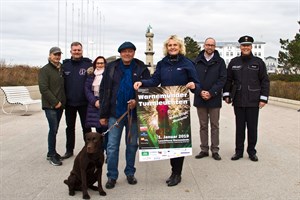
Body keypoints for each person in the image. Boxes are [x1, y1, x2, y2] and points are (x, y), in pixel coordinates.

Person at [134, 35, 201, 187]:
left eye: (175, 45)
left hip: (179, 107)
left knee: (178, 138)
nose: (172, 47)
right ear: (166, 47)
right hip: (163, 107)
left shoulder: (187, 63)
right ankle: (173, 171)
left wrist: (193, 86)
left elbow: (197, 84)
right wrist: (142, 83)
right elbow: (154, 81)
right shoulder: (162, 63)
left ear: (180, 47)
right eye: (169, 45)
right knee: (167, 137)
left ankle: (177, 173)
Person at [99, 41, 150, 189]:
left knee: (132, 145)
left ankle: (130, 172)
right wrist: (103, 114)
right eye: (124, 51)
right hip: (115, 114)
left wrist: (137, 100)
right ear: (120, 53)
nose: (127, 54)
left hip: (134, 115)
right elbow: (104, 91)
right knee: (112, 146)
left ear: (134, 52)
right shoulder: (111, 67)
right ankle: (112, 176)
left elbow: (148, 88)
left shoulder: (141, 68)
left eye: (130, 51)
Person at [223, 35, 270, 162]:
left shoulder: (258, 62)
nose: (246, 47)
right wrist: (226, 94)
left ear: (251, 46)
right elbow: (228, 80)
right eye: (243, 45)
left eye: (248, 45)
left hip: (253, 101)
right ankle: (238, 152)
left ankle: (251, 151)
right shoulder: (234, 62)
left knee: (252, 128)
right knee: (239, 128)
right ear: (240, 47)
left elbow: (265, 81)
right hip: (238, 101)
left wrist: (263, 99)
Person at [193, 38, 227, 161]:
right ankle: (204, 149)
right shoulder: (196, 61)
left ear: (215, 46)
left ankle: (215, 150)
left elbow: (223, 79)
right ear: (204, 45)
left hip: (214, 98)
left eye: (212, 45)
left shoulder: (220, 62)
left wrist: (211, 93)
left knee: (214, 125)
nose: (210, 47)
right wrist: (199, 91)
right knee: (203, 125)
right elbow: (192, 79)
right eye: (208, 45)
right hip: (200, 98)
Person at [62, 42, 92, 159]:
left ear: (82, 51)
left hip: (84, 103)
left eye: (79, 50)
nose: (77, 52)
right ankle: (69, 150)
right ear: (71, 51)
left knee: (86, 128)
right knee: (70, 128)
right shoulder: (65, 66)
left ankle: (88, 149)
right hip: (69, 103)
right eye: (74, 50)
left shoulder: (88, 65)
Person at [38, 47, 66, 166]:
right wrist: (55, 102)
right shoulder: (45, 70)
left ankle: (52, 152)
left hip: (60, 106)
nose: (57, 57)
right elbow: (44, 89)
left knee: (55, 129)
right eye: (55, 55)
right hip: (51, 106)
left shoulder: (61, 69)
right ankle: (51, 154)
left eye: (59, 55)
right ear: (50, 56)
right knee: (53, 129)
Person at [84, 56, 108, 149]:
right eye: (98, 63)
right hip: (94, 104)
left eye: (102, 63)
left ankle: (107, 151)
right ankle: (99, 150)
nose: (100, 65)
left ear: (105, 64)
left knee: (106, 130)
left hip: (105, 103)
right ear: (95, 64)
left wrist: (102, 101)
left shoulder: (108, 74)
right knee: (98, 130)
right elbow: (87, 89)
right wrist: (94, 101)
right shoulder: (91, 75)